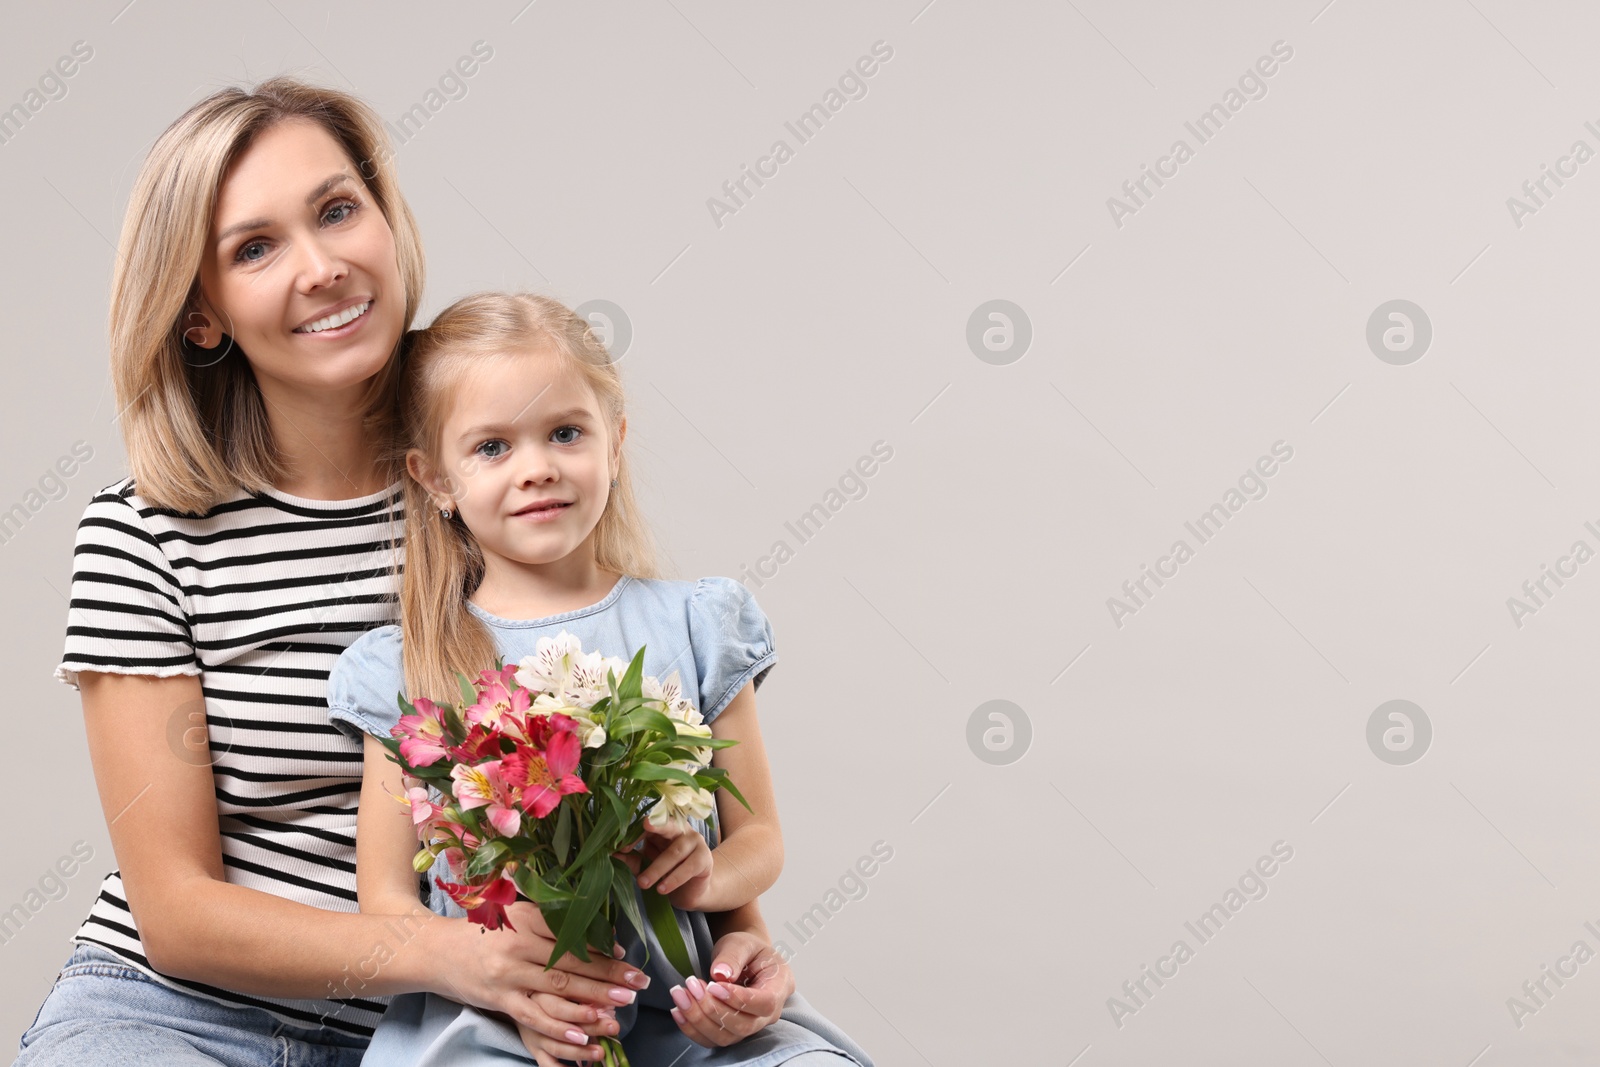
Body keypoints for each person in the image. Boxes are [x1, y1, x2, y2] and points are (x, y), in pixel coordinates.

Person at [16, 78, 797, 1066]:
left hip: (484, 1022)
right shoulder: (146, 535)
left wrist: (741, 946)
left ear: (389, 222)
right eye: (255, 248)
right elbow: (174, 910)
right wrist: (448, 953)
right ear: (201, 314)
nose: (323, 266)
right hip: (188, 1014)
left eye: (338, 210)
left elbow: (642, 722)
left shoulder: (498, 460)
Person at [324, 291, 873, 1066]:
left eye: (565, 433)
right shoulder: (409, 669)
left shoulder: (695, 625)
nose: (537, 468)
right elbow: (385, 899)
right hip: (494, 1017)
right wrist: (491, 965)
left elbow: (760, 839)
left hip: (686, 1015)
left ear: (613, 442)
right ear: (434, 478)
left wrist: (712, 885)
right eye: (491, 448)